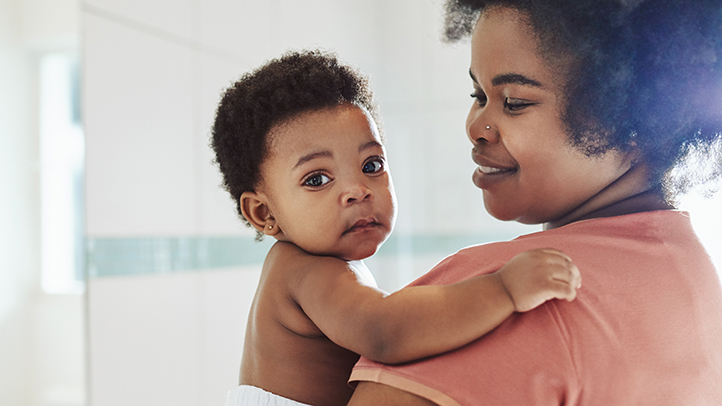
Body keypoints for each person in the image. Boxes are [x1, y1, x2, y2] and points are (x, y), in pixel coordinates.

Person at [348, 0, 722, 405]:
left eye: (514, 103)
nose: (476, 127)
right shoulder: (694, 279)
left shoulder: (495, 295)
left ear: (630, 118)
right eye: (478, 94)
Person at [211, 50, 582, 406]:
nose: (357, 190)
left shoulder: (310, 265)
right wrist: (503, 288)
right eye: (318, 179)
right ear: (262, 212)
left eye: (371, 166)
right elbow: (385, 331)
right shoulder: (306, 271)